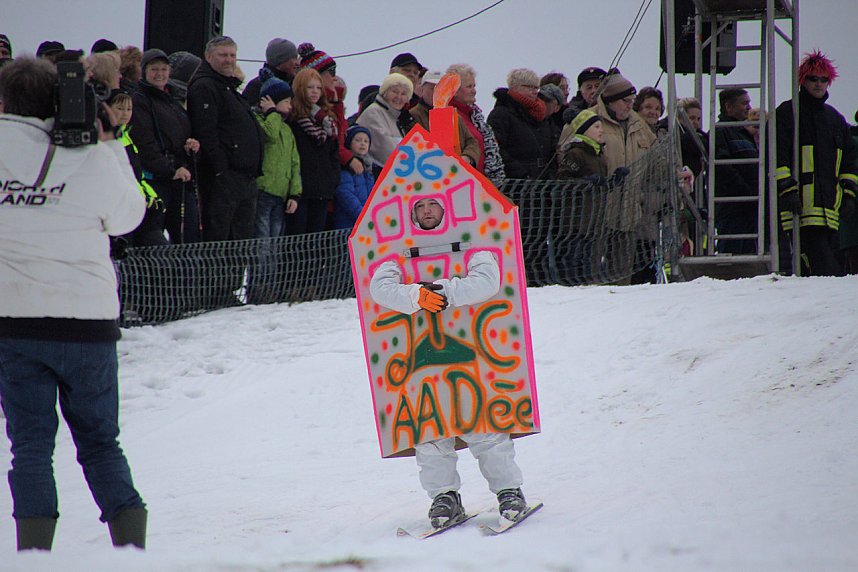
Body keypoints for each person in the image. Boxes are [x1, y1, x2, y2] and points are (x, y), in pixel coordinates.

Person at [0, 56, 147, 551]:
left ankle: (33, 555)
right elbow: (128, 216)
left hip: (14, 323)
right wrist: (109, 146)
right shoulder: (88, 153)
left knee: (31, 448)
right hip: (86, 323)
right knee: (101, 442)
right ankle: (132, 551)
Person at [369, 198, 528, 527]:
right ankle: (444, 497)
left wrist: (445, 292)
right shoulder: (400, 249)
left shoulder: (470, 241)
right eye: (420, 206)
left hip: (472, 352)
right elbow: (379, 287)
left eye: (433, 204)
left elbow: (487, 281)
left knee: (483, 424)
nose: (427, 211)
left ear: (446, 208)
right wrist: (416, 296)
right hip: (421, 360)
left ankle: (509, 491)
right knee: (430, 430)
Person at [776, 50, 857, 276]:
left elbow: (850, 161)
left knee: (833, 270)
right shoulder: (787, 113)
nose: (819, 84)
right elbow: (777, 155)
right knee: (821, 269)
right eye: (813, 78)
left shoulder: (835, 119)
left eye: (824, 79)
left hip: (831, 210)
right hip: (797, 208)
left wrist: (849, 194)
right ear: (803, 80)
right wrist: (786, 189)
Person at [187, 36, 264, 242]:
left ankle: (234, 276)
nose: (229, 60)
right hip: (224, 178)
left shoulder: (228, 87)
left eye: (232, 55)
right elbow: (206, 131)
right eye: (223, 55)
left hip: (243, 177)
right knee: (221, 239)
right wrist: (221, 169)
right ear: (208, 56)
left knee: (239, 243)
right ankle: (217, 277)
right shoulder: (205, 86)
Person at [132, 48, 203, 244]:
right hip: (157, 181)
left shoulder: (172, 101)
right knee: (153, 238)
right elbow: (145, 144)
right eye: (154, 69)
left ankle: (185, 275)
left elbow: (183, 134)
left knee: (188, 237)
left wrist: (192, 145)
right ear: (145, 71)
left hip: (180, 180)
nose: (159, 74)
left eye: (164, 69)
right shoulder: (140, 100)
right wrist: (170, 170)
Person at [285, 67, 340, 234]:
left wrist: (332, 180)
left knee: (316, 241)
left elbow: (333, 153)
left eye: (318, 87)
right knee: (297, 240)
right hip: (300, 190)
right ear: (301, 89)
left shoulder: (327, 119)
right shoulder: (292, 118)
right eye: (310, 87)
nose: (315, 92)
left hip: (322, 190)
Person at [487, 68, 556, 179]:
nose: (534, 92)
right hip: (516, 184)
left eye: (536, 88)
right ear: (514, 87)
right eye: (529, 87)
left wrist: (550, 174)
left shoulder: (540, 115)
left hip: (543, 184)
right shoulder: (501, 114)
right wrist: (522, 174)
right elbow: (496, 148)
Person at [714, 88, 759, 255]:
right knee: (731, 255)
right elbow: (723, 168)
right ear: (728, 107)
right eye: (744, 103)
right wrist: (746, 191)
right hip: (731, 207)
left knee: (748, 254)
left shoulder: (744, 134)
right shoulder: (720, 132)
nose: (749, 107)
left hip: (750, 206)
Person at [254, 77, 301, 238]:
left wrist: (295, 194)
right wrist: (271, 112)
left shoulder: (287, 129)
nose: (290, 105)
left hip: (281, 195)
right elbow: (270, 135)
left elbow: (295, 163)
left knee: (275, 241)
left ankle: (272, 265)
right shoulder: (259, 120)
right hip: (263, 190)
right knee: (262, 240)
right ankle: (260, 265)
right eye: (286, 101)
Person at [446, 63, 506, 187]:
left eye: (474, 86)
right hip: (462, 184)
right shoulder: (447, 114)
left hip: (482, 182)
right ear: (454, 90)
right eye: (469, 87)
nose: (474, 91)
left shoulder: (474, 115)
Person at [408, 70, 480, 168]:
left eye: (441, 88)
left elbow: (472, 142)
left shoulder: (456, 117)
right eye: (432, 88)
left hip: (459, 174)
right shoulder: (413, 115)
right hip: (431, 174)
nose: (437, 92)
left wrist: (467, 157)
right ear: (422, 89)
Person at [356, 72, 416, 177]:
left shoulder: (396, 117)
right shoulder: (374, 112)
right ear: (385, 92)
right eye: (394, 91)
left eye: (403, 94)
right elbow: (384, 149)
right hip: (376, 177)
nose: (398, 97)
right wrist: (414, 167)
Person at [333, 125, 374, 230]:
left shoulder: (368, 169)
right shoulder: (346, 168)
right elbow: (345, 195)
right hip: (348, 224)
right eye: (358, 140)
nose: (362, 143)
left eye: (366, 141)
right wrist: (363, 216)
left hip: (365, 224)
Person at [242, 37, 300, 104]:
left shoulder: (296, 84)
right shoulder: (256, 87)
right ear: (281, 60)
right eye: (293, 58)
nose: (297, 63)